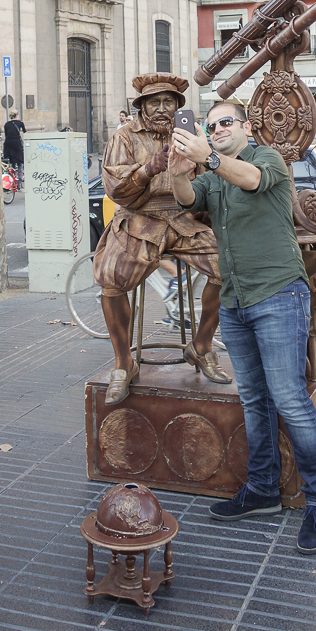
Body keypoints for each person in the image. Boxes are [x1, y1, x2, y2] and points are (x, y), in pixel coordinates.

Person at [168, 101, 316, 556]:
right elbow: (187, 197)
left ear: (245, 127)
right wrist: (179, 168)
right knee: (254, 399)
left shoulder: (266, 160)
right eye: (210, 125)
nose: (217, 129)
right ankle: (262, 490)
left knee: (288, 398)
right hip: (236, 300)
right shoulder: (213, 174)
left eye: (225, 122)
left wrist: (207, 155)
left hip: (280, 294)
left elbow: (252, 181)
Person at [93, 72, 231, 406]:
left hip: (183, 218)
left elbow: (207, 181)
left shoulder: (189, 135)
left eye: (169, 102)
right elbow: (116, 189)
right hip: (139, 219)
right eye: (154, 102)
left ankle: (201, 346)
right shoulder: (123, 137)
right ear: (139, 106)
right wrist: (149, 168)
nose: (162, 109)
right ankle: (124, 363)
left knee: (226, 268)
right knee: (111, 276)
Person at [2, 109, 26, 188]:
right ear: (16, 116)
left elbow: (6, 134)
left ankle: (12, 182)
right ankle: (19, 184)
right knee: (19, 164)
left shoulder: (6, 124)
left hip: (8, 145)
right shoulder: (20, 123)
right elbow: (25, 132)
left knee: (12, 164)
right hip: (16, 144)